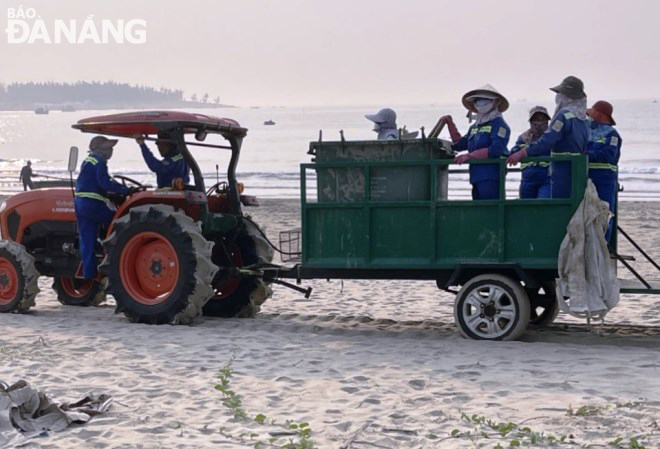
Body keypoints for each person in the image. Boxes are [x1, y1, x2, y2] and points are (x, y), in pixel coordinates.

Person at [506, 76, 589, 198]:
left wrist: (522, 153)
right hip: (578, 169)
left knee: (558, 207)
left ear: (566, 96)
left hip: (562, 170)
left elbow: (547, 141)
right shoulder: (583, 119)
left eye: (560, 93)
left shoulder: (563, 115)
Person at [441, 84, 511, 200]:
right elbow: (459, 144)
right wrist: (450, 124)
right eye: (478, 100)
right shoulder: (474, 127)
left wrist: (470, 155)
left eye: (485, 100)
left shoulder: (500, 125)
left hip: (491, 175)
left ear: (496, 102)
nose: (481, 103)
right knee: (478, 211)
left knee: (492, 211)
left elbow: (496, 149)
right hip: (476, 177)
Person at [74, 136, 129, 280]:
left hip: (81, 204)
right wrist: (125, 191)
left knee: (86, 240)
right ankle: (114, 253)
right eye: (108, 148)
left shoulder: (88, 160)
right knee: (118, 222)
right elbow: (104, 183)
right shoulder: (100, 162)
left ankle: (89, 275)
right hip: (94, 204)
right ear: (101, 149)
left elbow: (97, 182)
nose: (111, 151)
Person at [586, 100, 621, 243]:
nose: (589, 115)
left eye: (593, 112)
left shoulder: (613, 135)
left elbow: (608, 154)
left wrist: (588, 154)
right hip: (587, 177)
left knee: (604, 210)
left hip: (605, 179)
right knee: (587, 212)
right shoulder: (587, 129)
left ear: (600, 115)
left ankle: (603, 244)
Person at [510, 106, 552, 198]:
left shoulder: (551, 138)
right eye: (536, 119)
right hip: (527, 178)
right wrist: (517, 152)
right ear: (531, 121)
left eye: (543, 119)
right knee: (526, 207)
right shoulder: (523, 137)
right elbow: (513, 151)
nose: (540, 122)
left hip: (546, 178)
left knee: (544, 204)